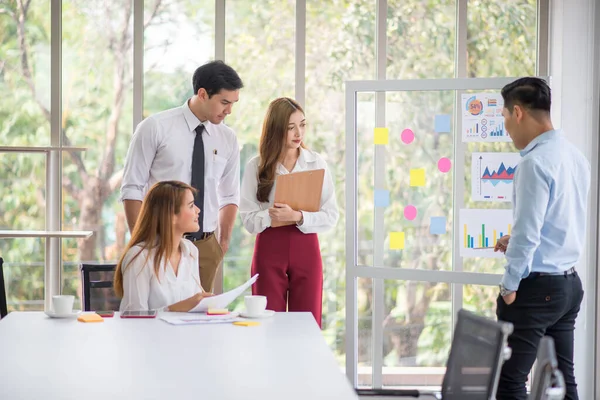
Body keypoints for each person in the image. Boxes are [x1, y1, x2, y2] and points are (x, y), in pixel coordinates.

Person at [494, 77, 590, 400]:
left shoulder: (533, 164)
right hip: (568, 287)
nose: (505, 128)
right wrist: (518, 239)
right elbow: (562, 222)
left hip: (537, 292)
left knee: (509, 382)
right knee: (564, 382)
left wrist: (509, 287)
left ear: (518, 112)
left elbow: (528, 235)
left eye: (505, 117)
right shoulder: (575, 157)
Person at [120, 60, 243, 292]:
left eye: (233, 103)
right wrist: (142, 244)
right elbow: (132, 188)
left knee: (199, 323)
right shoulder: (155, 127)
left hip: (206, 246)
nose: (229, 111)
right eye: (224, 102)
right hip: (159, 243)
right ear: (203, 94)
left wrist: (222, 243)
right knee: (155, 317)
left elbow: (229, 195)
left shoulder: (227, 138)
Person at [239, 97, 339, 328]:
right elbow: (248, 220)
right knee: (267, 322)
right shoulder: (257, 166)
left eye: (302, 125)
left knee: (307, 323)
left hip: (306, 248)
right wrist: (271, 216)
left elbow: (331, 215)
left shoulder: (316, 163)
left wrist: (298, 216)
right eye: (290, 127)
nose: (298, 133)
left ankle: (304, 365)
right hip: (268, 249)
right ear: (276, 129)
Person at [114, 181, 214, 312]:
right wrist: (179, 308)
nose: (198, 210)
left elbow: (193, 309)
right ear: (171, 215)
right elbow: (134, 317)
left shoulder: (191, 251)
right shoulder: (139, 257)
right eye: (191, 206)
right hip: (150, 333)